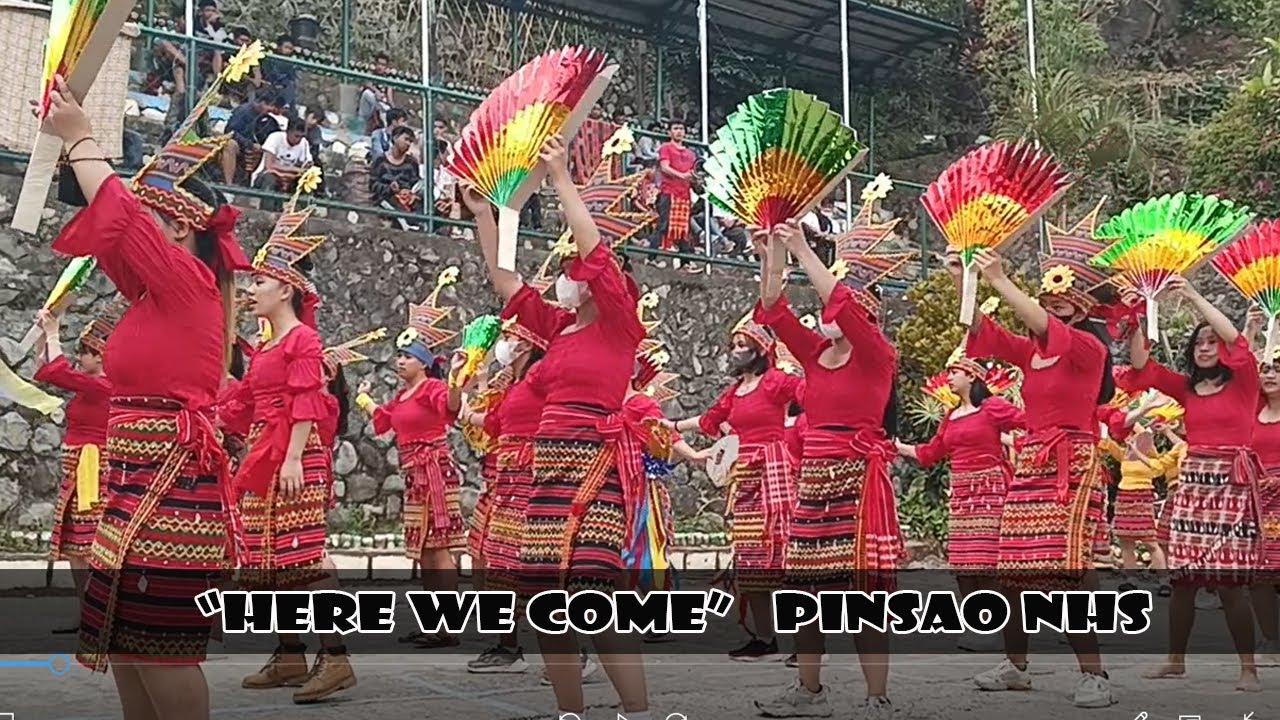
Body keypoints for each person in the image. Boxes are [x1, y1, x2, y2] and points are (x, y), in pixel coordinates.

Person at [42, 71, 248, 720]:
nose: (135, 219)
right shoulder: (154, 297)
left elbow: (122, 223)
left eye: (151, 212)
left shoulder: (188, 281)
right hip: (138, 485)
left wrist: (82, 135)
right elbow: (117, 238)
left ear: (182, 228)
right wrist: (69, 141)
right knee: (130, 644)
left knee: (161, 649)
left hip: (168, 489)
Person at [462, 135, 649, 720]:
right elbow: (505, 282)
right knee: (547, 602)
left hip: (596, 469)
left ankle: (638, 712)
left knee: (593, 599)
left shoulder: (619, 323)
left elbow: (596, 251)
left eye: (577, 264)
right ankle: (570, 712)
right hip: (548, 475)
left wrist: (562, 178)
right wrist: (485, 216)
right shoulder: (559, 328)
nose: (570, 268)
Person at [950, 242, 1119, 707]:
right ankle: (1017, 666)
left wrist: (1001, 279)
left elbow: (1040, 325)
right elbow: (986, 332)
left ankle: (1095, 674)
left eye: (1063, 297)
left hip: (1073, 460)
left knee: (1068, 572)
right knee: (1014, 571)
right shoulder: (1032, 352)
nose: (1051, 302)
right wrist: (961, 276)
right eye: (1047, 297)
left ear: (1085, 305)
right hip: (1031, 461)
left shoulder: (1086, 347)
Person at [751, 221, 901, 720]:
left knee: (862, 596)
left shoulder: (878, 355)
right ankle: (808, 690)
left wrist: (802, 247)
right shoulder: (816, 356)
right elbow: (774, 311)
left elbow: (842, 303)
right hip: (815, 481)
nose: (825, 315)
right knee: (804, 588)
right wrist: (773, 253)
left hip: (856, 480)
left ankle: (877, 697)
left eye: (839, 310)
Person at [229, 198, 356, 703]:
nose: (251, 290)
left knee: (302, 559)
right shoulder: (266, 347)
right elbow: (242, 402)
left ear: (286, 287)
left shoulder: (303, 340)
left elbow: (308, 400)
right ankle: (289, 653)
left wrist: (291, 458)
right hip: (268, 451)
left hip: (294, 455)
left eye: (259, 281)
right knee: (270, 558)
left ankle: (337, 657)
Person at [1123, 276, 1262, 691]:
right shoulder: (1186, 389)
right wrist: (1142, 315)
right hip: (1193, 487)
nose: (1204, 347)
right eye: (1198, 343)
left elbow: (1236, 339)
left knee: (1229, 585)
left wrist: (1193, 295)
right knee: (1182, 582)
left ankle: (1248, 669)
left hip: (1231, 486)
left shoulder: (1244, 381)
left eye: (1210, 342)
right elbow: (1141, 367)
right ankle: (1175, 661)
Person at [665, 316, 802, 662]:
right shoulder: (734, 393)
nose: (736, 351)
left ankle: (808, 644)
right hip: (744, 481)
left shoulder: (776, 382)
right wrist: (672, 425)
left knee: (784, 559)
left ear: (761, 350)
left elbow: (811, 395)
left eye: (743, 346)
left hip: (773, 476)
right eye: (734, 346)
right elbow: (709, 420)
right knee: (751, 561)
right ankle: (765, 638)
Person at [355, 270, 470, 648]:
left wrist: (455, 380)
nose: (399, 361)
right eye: (399, 356)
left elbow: (452, 408)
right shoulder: (403, 397)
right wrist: (363, 397)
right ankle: (432, 624)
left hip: (433, 470)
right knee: (422, 552)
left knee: (438, 551)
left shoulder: (433, 389)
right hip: (413, 474)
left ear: (423, 362)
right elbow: (384, 423)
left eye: (406, 356)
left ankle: (447, 626)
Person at [895, 351, 1025, 652]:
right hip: (962, 493)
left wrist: (1015, 443)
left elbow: (1027, 423)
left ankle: (995, 624)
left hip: (990, 490)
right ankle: (975, 623)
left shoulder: (992, 407)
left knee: (986, 561)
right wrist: (898, 446)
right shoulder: (951, 417)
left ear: (972, 377)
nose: (949, 377)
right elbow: (930, 453)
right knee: (964, 563)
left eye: (954, 372)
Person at [459, 319, 547, 673]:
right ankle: (506, 646)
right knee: (491, 561)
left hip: (534, 476)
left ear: (526, 343)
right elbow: (491, 425)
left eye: (509, 336)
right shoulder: (508, 380)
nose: (503, 342)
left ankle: (572, 653)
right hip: (503, 478)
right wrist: (469, 391)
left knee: (533, 568)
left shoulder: (542, 374)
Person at [31, 302, 120, 634]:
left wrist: (54, 331)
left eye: (84, 352)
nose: (79, 357)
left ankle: (100, 614)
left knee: (89, 544)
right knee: (74, 546)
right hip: (78, 471)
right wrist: (45, 333)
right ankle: (88, 613)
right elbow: (46, 370)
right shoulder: (89, 384)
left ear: (100, 357)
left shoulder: (104, 386)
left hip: (92, 470)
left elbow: (55, 371)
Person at [646, 120, 697, 252]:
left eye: (681, 128)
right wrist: (682, 175)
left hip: (684, 194)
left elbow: (693, 173)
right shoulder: (666, 148)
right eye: (675, 128)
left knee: (684, 228)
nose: (679, 131)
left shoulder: (691, 154)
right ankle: (652, 256)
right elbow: (664, 167)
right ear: (670, 132)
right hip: (669, 191)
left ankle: (685, 261)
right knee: (663, 224)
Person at [252, 116, 313, 209]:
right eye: (296, 136)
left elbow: (306, 167)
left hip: (289, 178)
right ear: (288, 131)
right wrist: (293, 170)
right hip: (266, 175)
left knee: (307, 184)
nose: (298, 140)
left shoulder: (304, 143)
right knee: (270, 180)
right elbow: (269, 165)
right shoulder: (275, 137)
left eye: (301, 136)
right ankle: (267, 213)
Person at [222, 92, 282, 184]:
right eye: (269, 105)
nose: (271, 109)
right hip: (240, 144)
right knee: (230, 145)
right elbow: (230, 132)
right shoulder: (243, 111)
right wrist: (249, 144)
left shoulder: (266, 116)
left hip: (256, 148)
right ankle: (228, 184)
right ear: (262, 103)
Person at [369, 126, 422, 214]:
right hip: (385, 202)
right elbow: (373, 185)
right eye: (406, 139)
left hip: (408, 202)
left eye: (410, 141)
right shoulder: (380, 160)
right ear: (395, 138)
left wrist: (410, 193)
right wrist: (389, 189)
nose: (408, 143)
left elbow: (415, 183)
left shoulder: (412, 162)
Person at [262, 34, 300, 110]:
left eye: (290, 49)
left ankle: (287, 107)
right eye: (286, 47)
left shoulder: (291, 64)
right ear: (279, 47)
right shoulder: (270, 59)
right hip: (270, 86)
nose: (288, 51)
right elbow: (267, 73)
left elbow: (291, 78)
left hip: (284, 88)